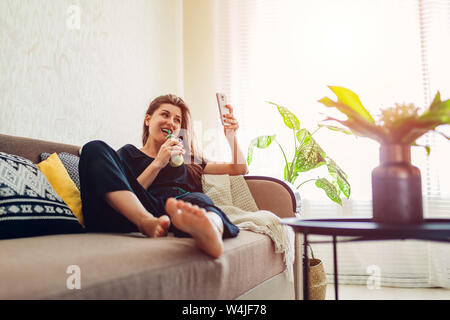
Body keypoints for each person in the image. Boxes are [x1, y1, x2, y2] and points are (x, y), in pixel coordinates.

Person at [78, 94, 248, 258]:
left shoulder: (189, 160)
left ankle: (211, 231)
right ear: (148, 120)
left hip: (179, 209)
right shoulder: (128, 154)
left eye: (177, 120)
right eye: (165, 115)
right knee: (94, 147)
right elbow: (123, 190)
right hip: (140, 207)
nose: (171, 123)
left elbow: (239, 168)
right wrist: (158, 163)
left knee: (199, 200)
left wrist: (230, 134)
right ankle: (146, 222)